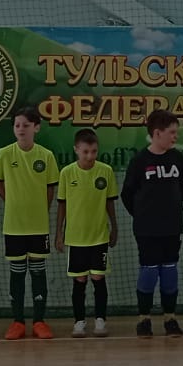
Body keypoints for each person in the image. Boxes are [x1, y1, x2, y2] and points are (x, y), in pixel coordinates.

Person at [122, 109, 183, 339]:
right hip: (147, 230)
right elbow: (127, 194)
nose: (175, 136)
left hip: (172, 227)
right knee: (149, 272)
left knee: (170, 271)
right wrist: (143, 216)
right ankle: (144, 319)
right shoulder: (140, 160)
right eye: (172, 132)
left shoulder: (177, 158)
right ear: (157, 133)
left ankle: (170, 318)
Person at [0, 106, 58, 341]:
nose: (21, 129)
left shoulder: (46, 155)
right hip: (14, 225)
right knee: (17, 273)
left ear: (36, 128)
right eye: (17, 125)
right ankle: (18, 321)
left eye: (26, 125)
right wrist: (11, 201)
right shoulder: (4, 153)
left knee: (38, 272)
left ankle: (39, 321)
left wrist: (40, 209)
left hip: (38, 226)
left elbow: (50, 188)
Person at [56, 127, 118, 338]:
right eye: (85, 152)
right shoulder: (66, 173)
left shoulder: (106, 171)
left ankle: (100, 320)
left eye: (94, 151)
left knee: (98, 278)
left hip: (99, 236)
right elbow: (62, 205)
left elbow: (110, 203)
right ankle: (79, 322)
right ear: (76, 149)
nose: (90, 156)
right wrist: (59, 233)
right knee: (79, 281)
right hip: (76, 238)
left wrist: (114, 227)